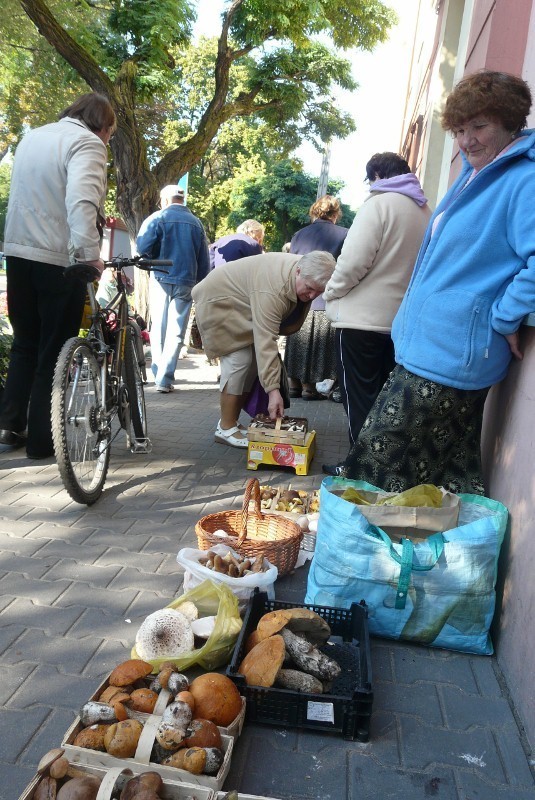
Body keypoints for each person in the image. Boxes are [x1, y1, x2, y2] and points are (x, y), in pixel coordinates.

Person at [327, 70, 535, 494]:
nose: (466, 140)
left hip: (453, 356)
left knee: (371, 475)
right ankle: (438, 559)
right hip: (432, 348)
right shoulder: (477, 172)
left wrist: (506, 317)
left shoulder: (524, 177)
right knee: (441, 482)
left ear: (510, 121)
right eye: (459, 130)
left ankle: (357, 557)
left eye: (479, 126)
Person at [0, 93, 115, 459]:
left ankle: (8, 426)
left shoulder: (32, 137)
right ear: (104, 126)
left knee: (24, 344)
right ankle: (41, 442)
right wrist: (89, 256)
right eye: (110, 134)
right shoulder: (88, 143)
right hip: (57, 260)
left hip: (18, 253)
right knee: (53, 350)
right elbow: (81, 200)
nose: (108, 141)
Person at [321, 153, 430, 469]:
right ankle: (383, 468)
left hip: (361, 322)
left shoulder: (378, 204)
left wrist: (331, 293)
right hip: (401, 324)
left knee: (360, 399)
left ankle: (359, 468)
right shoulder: (427, 211)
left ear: (378, 175)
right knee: (387, 402)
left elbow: (352, 262)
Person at [192, 250, 336, 447]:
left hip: (242, 302)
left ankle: (231, 424)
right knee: (239, 361)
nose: (312, 296)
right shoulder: (272, 288)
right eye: (310, 289)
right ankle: (225, 428)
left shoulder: (304, 272)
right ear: (298, 272)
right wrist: (273, 391)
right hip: (220, 302)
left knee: (251, 364)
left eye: (319, 292)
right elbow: (266, 339)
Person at [136, 185, 210, 392]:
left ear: (164, 200)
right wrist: (201, 281)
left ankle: (159, 374)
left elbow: (142, 248)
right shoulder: (197, 223)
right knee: (176, 331)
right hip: (187, 280)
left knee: (159, 327)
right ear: (182, 199)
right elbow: (204, 259)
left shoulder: (157, 218)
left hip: (161, 276)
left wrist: (151, 261)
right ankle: (165, 379)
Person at [283, 195, 348, 400]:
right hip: (325, 296)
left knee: (297, 340)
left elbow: (293, 265)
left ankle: (294, 385)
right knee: (320, 344)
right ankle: (310, 388)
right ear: (335, 213)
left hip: (300, 296)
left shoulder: (299, 235)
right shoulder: (345, 234)